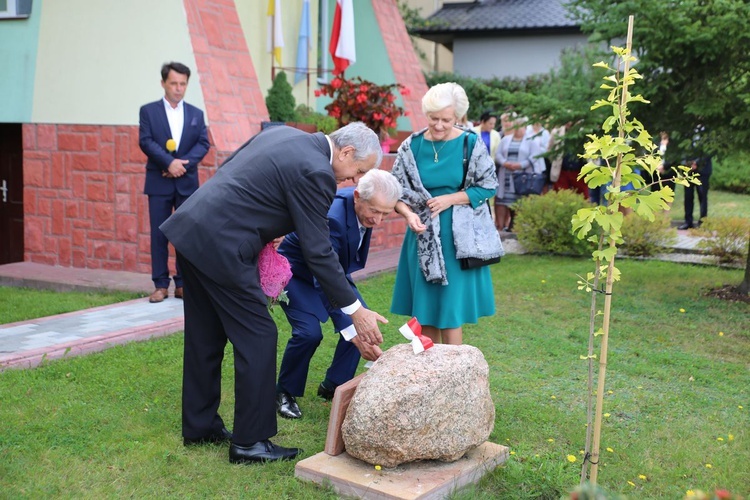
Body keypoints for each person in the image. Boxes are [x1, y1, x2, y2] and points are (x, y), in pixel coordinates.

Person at [159, 122, 388, 464]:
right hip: (226, 246)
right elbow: (318, 251)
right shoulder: (318, 173)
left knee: (205, 335)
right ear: (346, 152)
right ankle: (250, 443)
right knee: (259, 336)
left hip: (194, 231)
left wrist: (262, 222)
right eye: (358, 171)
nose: (354, 180)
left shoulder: (283, 133)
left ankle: (200, 425)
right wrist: (355, 309)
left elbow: (235, 174)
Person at [275, 170, 402, 419]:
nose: (378, 220)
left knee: (363, 324)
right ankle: (284, 392)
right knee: (309, 333)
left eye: (386, 214)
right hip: (293, 273)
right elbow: (323, 277)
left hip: (331, 272)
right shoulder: (331, 218)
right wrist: (351, 324)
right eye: (374, 211)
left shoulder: (366, 204)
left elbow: (332, 272)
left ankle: (334, 387)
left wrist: (355, 323)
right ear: (357, 197)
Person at [390, 82, 500, 346]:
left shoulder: (470, 143)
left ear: (458, 117)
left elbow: (489, 186)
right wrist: (407, 215)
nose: (439, 125)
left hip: (456, 239)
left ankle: (454, 374)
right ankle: (430, 377)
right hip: (421, 236)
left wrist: (451, 199)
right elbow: (395, 190)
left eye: (446, 120)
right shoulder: (411, 146)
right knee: (425, 310)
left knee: (450, 312)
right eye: (433, 118)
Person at [139, 62, 210, 304]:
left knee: (186, 234)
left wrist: (182, 165)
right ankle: (160, 285)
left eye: (183, 84)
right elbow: (146, 141)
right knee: (159, 234)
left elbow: (203, 144)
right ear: (163, 84)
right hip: (159, 181)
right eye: (174, 83)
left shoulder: (196, 114)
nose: (178, 89)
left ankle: (182, 284)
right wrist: (168, 163)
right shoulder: (148, 111)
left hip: (187, 183)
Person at [495, 116, 546, 232]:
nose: (519, 130)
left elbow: (534, 156)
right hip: (506, 175)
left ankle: (516, 228)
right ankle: (500, 227)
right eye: (516, 127)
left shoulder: (531, 141)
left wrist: (521, 165)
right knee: (502, 201)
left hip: (522, 177)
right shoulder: (506, 139)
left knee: (518, 202)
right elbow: (498, 154)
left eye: (521, 127)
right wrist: (505, 163)